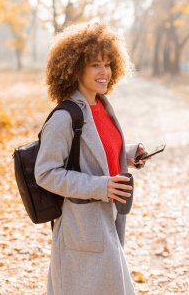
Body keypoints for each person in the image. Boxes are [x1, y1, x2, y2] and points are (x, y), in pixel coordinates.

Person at [34, 22, 151, 295]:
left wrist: (130, 154)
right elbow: (46, 173)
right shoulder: (64, 118)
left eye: (108, 64)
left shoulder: (102, 106)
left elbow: (98, 151)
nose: (105, 72)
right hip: (81, 227)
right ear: (76, 68)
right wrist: (101, 187)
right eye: (95, 64)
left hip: (108, 218)